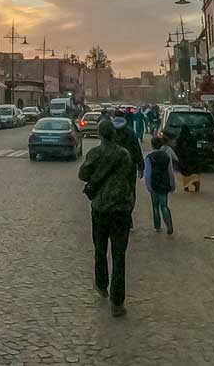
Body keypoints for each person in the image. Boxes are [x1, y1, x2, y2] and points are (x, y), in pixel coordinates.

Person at [78, 118, 137, 317]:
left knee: (100, 249)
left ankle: (102, 284)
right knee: (119, 256)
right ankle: (117, 303)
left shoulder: (95, 153)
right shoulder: (124, 154)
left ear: (101, 134)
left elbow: (83, 174)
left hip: (101, 209)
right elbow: (130, 176)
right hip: (121, 209)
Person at [143, 135, 174, 234]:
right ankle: (169, 225)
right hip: (164, 184)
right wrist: (172, 184)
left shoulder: (149, 157)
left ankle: (157, 226)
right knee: (164, 205)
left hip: (154, 184)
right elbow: (170, 171)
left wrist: (148, 185)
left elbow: (147, 173)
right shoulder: (166, 157)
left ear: (152, 145)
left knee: (155, 206)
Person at [113, 110, 144, 177]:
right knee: (129, 186)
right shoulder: (130, 131)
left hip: (113, 166)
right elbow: (137, 149)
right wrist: (140, 167)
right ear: (124, 117)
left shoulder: (109, 130)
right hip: (129, 165)